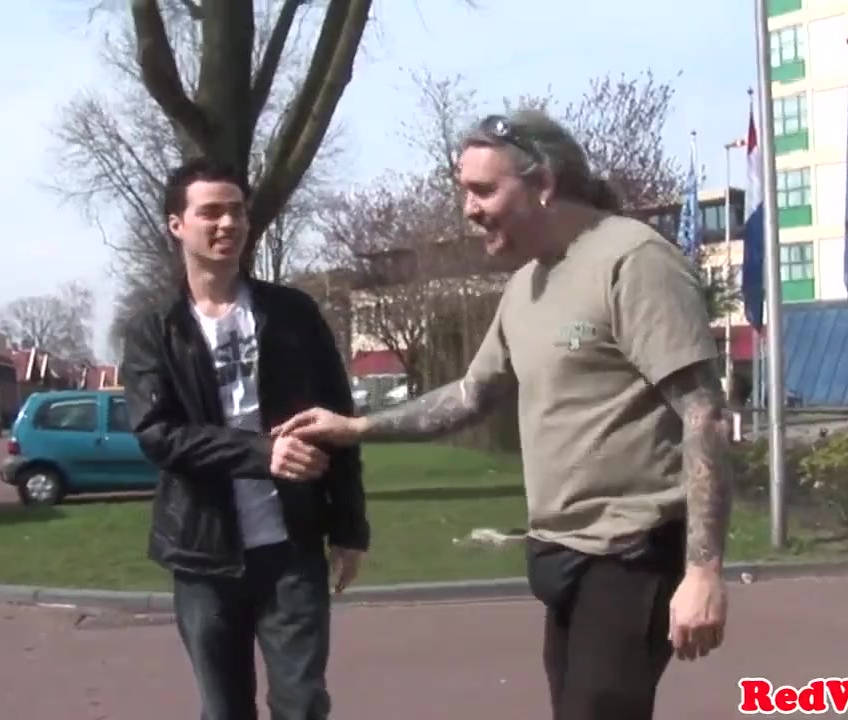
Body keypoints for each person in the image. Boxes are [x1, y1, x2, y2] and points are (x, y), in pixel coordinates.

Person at [272, 110, 732, 720]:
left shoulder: (635, 260)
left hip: (631, 554)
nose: (468, 209)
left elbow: (704, 414)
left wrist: (703, 572)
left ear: (543, 183)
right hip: (558, 553)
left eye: (483, 190)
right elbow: (472, 394)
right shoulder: (526, 285)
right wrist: (356, 427)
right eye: (464, 191)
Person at [118, 157, 369, 720]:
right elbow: (158, 435)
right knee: (225, 709)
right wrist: (262, 453)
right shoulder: (155, 330)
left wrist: (350, 527)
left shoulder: (293, 313)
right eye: (211, 212)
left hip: (292, 547)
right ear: (177, 225)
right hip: (203, 556)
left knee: (302, 703)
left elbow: (339, 422)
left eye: (236, 211)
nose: (228, 223)